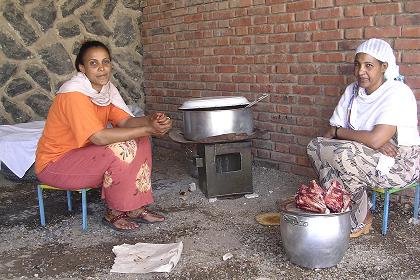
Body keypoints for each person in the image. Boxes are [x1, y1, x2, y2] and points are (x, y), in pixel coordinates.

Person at [35, 40, 173, 231]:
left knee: (140, 140)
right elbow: (98, 138)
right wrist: (149, 129)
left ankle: (133, 207)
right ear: (82, 68)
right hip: (55, 164)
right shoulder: (73, 94)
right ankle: (114, 212)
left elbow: (125, 122)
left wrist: (150, 121)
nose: (101, 69)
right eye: (93, 63)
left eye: (105, 62)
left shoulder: (106, 91)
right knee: (120, 147)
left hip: (84, 156)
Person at [307, 38, 420, 238]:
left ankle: (362, 216)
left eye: (369, 65)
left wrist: (339, 133)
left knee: (343, 154)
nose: (361, 71)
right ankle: (341, 209)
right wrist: (326, 147)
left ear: (384, 67)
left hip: (401, 164)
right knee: (315, 146)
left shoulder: (397, 93)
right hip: (366, 156)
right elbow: (332, 133)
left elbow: (374, 140)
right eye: (357, 64)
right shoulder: (352, 91)